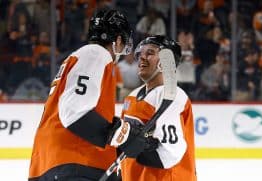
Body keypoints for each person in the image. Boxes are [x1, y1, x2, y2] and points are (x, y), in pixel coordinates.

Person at [28, 9, 148, 181]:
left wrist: (121, 141)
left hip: (53, 161)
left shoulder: (79, 58)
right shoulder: (96, 54)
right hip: (75, 161)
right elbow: (74, 111)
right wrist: (121, 133)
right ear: (118, 40)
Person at [119, 35, 197, 181]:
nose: (142, 58)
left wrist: (130, 146)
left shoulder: (172, 96)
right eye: (140, 54)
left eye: (149, 53)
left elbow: (168, 154)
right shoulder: (132, 96)